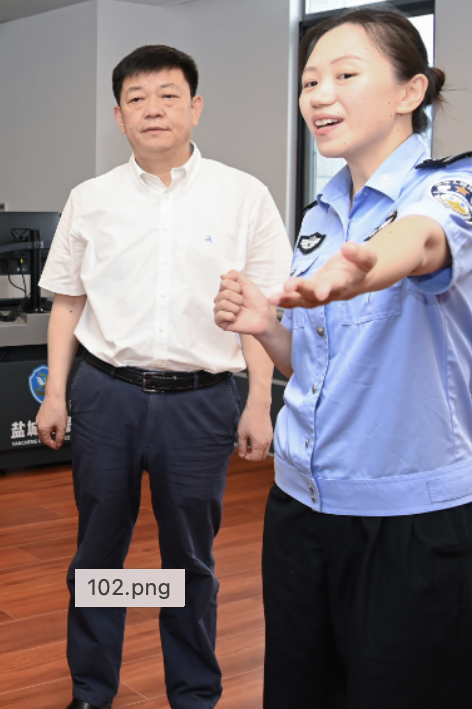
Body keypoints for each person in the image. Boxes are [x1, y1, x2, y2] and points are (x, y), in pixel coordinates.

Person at [213, 6, 472, 708]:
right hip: (301, 508)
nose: (319, 96)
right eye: (310, 81)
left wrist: (362, 269)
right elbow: (315, 369)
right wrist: (265, 327)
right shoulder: (321, 213)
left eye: (344, 75)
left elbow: (420, 241)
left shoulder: (456, 188)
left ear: (410, 91)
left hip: (409, 520)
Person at [35, 45, 290, 709]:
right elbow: (67, 303)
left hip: (201, 403)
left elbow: (262, 313)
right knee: (98, 553)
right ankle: (92, 690)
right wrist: (56, 394)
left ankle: (195, 693)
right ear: (118, 116)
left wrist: (258, 402)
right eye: (137, 98)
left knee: (189, 560)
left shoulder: (243, 196)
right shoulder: (91, 199)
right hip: (106, 395)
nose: (153, 109)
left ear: (195, 107)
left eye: (169, 95)